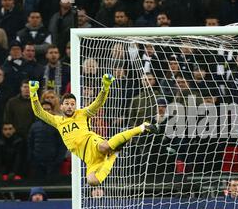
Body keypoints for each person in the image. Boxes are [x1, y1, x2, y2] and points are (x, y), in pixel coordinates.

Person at [28, 74, 158, 187]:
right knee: (92, 181)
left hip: (93, 143)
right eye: (67, 104)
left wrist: (105, 87)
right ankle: (114, 155)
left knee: (104, 147)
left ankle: (142, 127)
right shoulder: (57, 121)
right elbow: (39, 112)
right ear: (61, 106)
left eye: (72, 104)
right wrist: (33, 93)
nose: (70, 106)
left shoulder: (82, 114)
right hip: (88, 157)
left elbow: (98, 103)